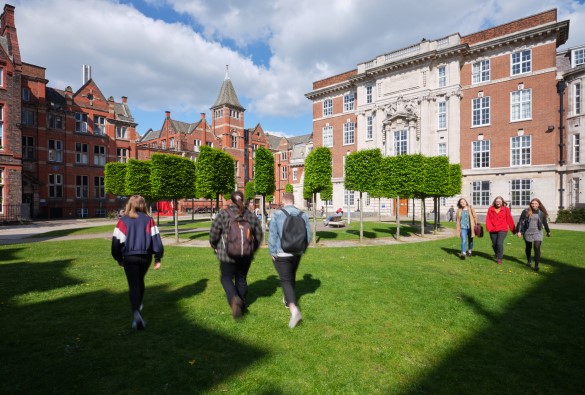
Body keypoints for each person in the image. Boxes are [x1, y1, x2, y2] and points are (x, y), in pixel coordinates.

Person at [111, 195, 164, 330]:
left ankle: (136, 312)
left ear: (130, 204)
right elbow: (156, 239)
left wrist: (119, 258)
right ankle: (138, 304)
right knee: (139, 280)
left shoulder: (124, 221)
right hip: (145, 257)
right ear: (143, 205)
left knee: (134, 284)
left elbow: (116, 242)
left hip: (129, 257)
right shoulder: (149, 220)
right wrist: (158, 257)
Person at [209, 191, 263, 319]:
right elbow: (259, 235)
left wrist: (214, 245)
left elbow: (214, 234)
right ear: (243, 200)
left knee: (226, 278)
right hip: (246, 255)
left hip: (227, 255)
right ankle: (241, 305)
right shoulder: (250, 215)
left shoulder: (223, 214)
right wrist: (252, 249)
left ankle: (234, 299)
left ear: (231, 200)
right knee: (241, 278)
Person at [269, 192, 311, 328]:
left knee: (285, 279)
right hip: (297, 252)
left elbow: (272, 235)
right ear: (293, 200)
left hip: (282, 253)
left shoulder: (276, 214)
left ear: (283, 201)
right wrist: (302, 249)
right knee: (291, 275)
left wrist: (272, 251)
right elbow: (308, 236)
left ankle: (294, 309)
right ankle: (288, 300)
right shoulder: (303, 214)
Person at [517, 198, 551, 271]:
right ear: (530, 204)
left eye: (535, 203)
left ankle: (536, 265)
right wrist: (519, 231)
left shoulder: (541, 213)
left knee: (536, 247)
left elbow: (544, 222)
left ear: (539, 204)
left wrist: (548, 231)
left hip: (538, 231)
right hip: (527, 231)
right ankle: (529, 261)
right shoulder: (526, 211)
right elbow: (521, 221)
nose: (534, 205)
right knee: (528, 247)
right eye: (532, 203)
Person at [486, 196, 516, 265]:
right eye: (497, 201)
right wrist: (489, 227)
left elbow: (509, 219)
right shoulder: (491, 209)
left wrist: (513, 229)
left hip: (502, 229)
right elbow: (488, 219)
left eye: (499, 201)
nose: (498, 203)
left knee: (499, 243)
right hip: (493, 229)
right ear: (494, 202)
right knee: (494, 244)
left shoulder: (506, 209)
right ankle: (497, 254)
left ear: (502, 202)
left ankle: (499, 258)